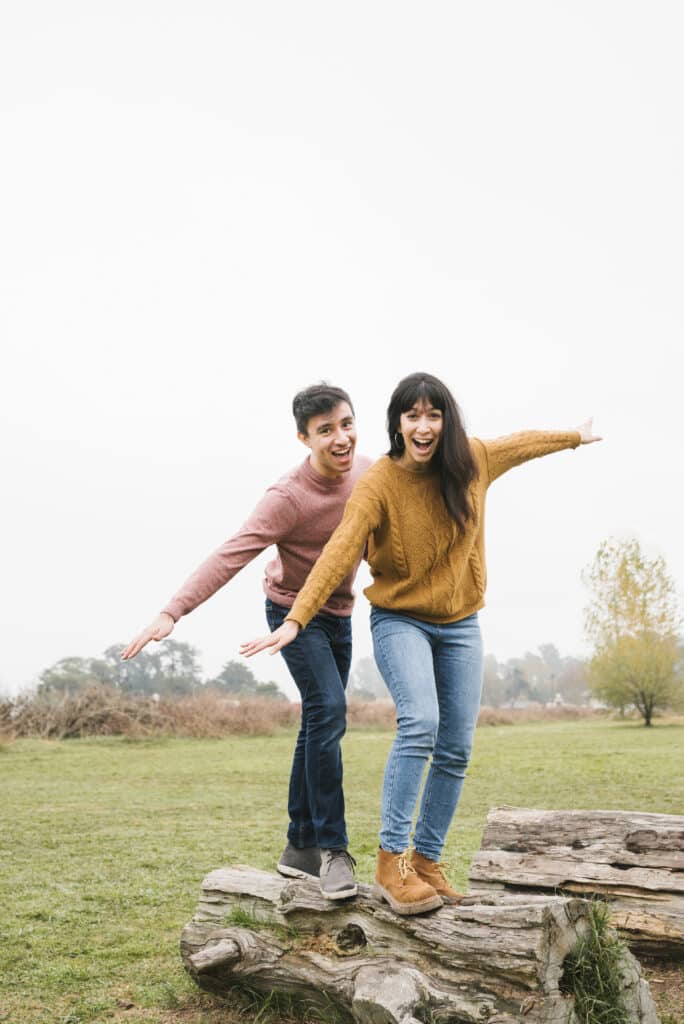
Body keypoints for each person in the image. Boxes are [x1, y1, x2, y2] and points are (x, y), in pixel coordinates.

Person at [240, 372, 601, 915]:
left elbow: (519, 445)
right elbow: (339, 550)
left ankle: (427, 861)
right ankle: (393, 864)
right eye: (413, 416)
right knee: (421, 723)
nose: (424, 426)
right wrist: (296, 617)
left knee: (456, 746)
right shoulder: (381, 482)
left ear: (446, 421)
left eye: (433, 415)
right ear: (398, 424)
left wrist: (572, 436)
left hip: (460, 624)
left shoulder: (473, 460)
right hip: (399, 620)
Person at [121, 384, 372, 900]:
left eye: (346, 424)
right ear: (304, 437)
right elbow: (231, 553)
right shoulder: (287, 498)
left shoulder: (369, 473)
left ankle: (298, 847)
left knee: (317, 719)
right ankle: (332, 849)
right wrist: (173, 611)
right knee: (328, 709)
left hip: (340, 613)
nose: (340, 438)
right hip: (289, 613)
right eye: (326, 430)